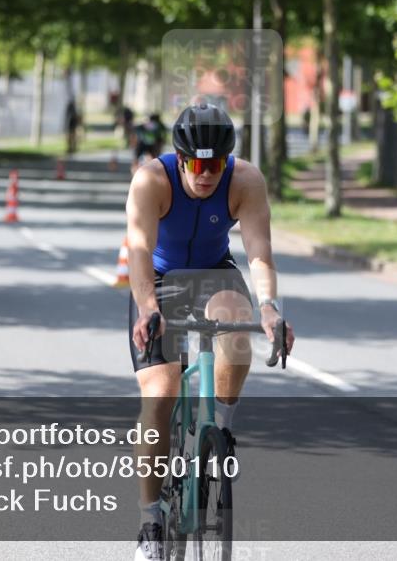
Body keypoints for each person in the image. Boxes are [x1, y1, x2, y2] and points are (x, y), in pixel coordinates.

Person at [125, 103, 295, 560]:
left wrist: (270, 308)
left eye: (215, 165)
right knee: (160, 393)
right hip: (158, 280)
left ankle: (221, 432)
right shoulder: (150, 181)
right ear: (180, 159)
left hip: (215, 273)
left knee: (239, 336)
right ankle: (150, 523)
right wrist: (146, 309)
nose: (205, 175)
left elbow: (259, 250)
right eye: (197, 165)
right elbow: (139, 249)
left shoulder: (246, 181)